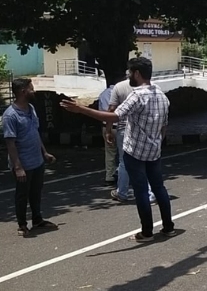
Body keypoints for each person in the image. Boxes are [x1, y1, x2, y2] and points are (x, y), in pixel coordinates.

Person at [61, 57, 175, 242]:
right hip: (154, 151)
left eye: (130, 72)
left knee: (140, 191)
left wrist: (82, 110)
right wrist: (157, 141)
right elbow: (164, 125)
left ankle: (147, 232)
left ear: (137, 73)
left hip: (135, 152)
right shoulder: (162, 95)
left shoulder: (137, 95)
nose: (129, 75)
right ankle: (168, 227)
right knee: (158, 188)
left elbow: (114, 116)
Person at [3, 78, 58, 236]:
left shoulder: (31, 108)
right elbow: (10, 143)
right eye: (31, 89)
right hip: (23, 164)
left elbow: (35, 133)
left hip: (37, 161)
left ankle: (37, 219)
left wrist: (44, 152)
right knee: (22, 195)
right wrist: (18, 167)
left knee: (36, 192)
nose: (33, 91)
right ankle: (22, 225)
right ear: (23, 92)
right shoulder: (10, 116)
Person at [106, 74, 156, 204]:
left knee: (124, 161)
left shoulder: (119, 87)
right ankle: (151, 193)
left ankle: (122, 192)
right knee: (146, 160)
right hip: (145, 128)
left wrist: (108, 130)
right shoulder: (150, 87)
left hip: (123, 128)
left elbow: (112, 110)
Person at [98, 82, 117, 186]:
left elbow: (101, 112)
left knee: (110, 152)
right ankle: (125, 176)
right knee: (125, 154)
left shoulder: (103, 94)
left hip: (106, 126)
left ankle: (109, 176)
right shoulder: (122, 93)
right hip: (121, 126)